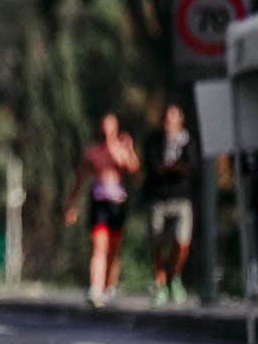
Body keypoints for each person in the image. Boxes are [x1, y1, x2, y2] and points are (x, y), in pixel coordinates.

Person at [65, 112, 140, 308]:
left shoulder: (121, 151)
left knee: (113, 250)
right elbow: (79, 179)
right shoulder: (92, 152)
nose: (107, 133)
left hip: (117, 203)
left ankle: (109, 286)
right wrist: (72, 205)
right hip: (99, 202)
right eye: (105, 128)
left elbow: (133, 169)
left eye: (111, 129)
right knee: (99, 246)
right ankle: (95, 288)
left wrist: (128, 149)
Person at [142, 103, 198, 306]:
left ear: (179, 121)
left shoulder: (187, 141)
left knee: (181, 242)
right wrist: (173, 166)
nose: (168, 123)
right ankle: (161, 283)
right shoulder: (153, 141)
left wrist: (170, 166)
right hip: (157, 198)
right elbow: (153, 166)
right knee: (157, 242)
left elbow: (190, 166)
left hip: (181, 198)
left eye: (172, 118)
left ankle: (174, 275)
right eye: (166, 118)